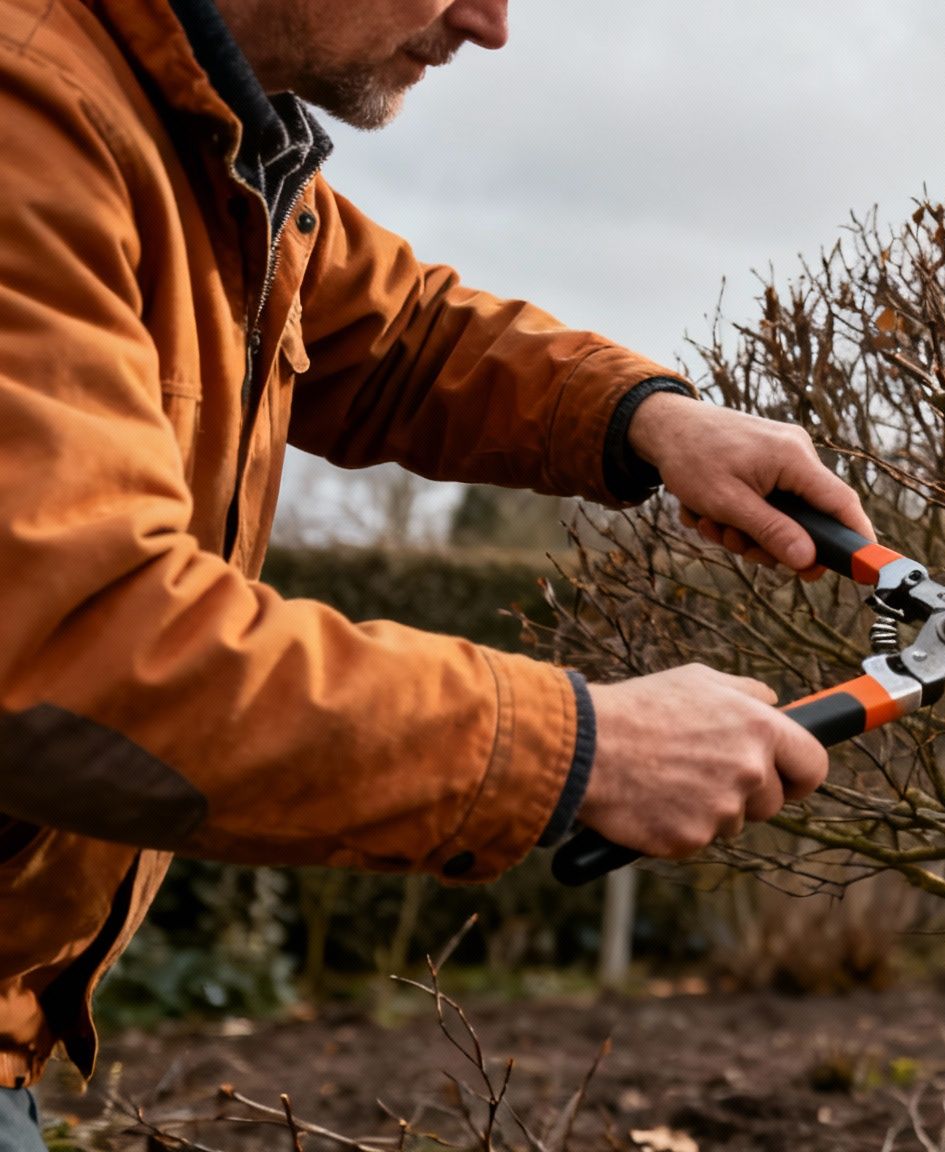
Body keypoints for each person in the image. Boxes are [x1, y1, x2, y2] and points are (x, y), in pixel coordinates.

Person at [0, 0, 860, 1142]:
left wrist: (644, 418)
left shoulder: (194, 136)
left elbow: (392, 332)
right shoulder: (28, 115)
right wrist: (577, 748)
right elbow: (79, 644)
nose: (489, 23)